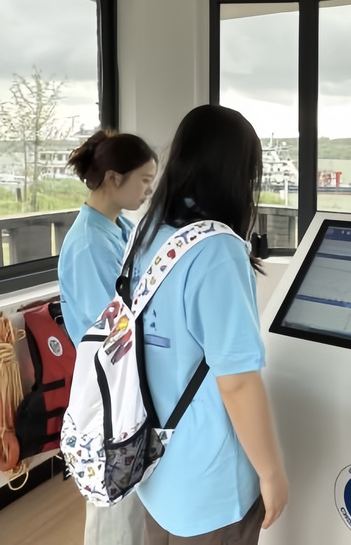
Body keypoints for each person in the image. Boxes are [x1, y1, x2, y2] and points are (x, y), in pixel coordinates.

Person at [124, 104, 288, 544]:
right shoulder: (217, 250)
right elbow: (237, 382)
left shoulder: (147, 235)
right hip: (210, 482)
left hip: (154, 468)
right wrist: (271, 473)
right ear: (238, 173)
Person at [58, 129, 158, 545]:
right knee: (115, 511)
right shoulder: (90, 245)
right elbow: (117, 328)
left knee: (131, 504)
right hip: (108, 388)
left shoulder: (117, 227)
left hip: (122, 384)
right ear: (114, 178)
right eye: (145, 181)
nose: (149, 190)